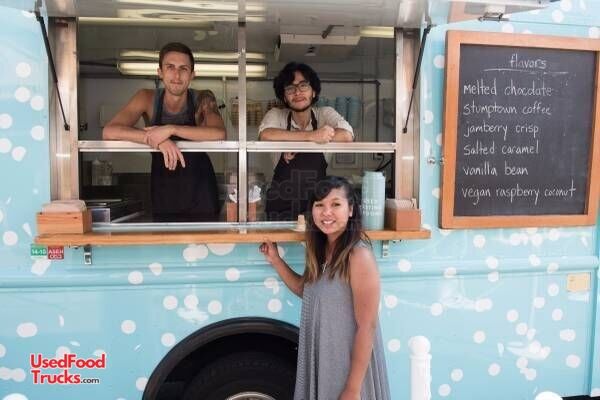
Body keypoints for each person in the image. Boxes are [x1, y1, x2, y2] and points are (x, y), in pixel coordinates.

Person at [260, 176, 391, 400]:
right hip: (326, 360)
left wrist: (352, 389)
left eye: (336, 204)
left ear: (351, 210)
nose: (326, 212)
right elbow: (306, 291)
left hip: (348, 368)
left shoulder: (358, 255)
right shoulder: (321, 250)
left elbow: (367, 327)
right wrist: (276, 260)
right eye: (319, 205)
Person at [103, 42, 225, 222]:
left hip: (200, 188)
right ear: (160, 72)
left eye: (183, 69)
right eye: (170, 67)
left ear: (192, 74)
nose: (177, 75)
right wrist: (156, 139)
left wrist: (171, 129)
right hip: (163, 187)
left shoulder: (203, 98)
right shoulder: (146, 98)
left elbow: (219, 134)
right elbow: (109, 131)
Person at [258, 62, 354, 221]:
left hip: (317, 208)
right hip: (279, 209)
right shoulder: (276, 115)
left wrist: (294, 141)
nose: (297, 92)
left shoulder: (325, 114)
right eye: (290, 88)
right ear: (284, 96)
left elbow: (346, 136)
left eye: (303, 86)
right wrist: (312, 136)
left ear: (314, 91)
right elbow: (265, 135)